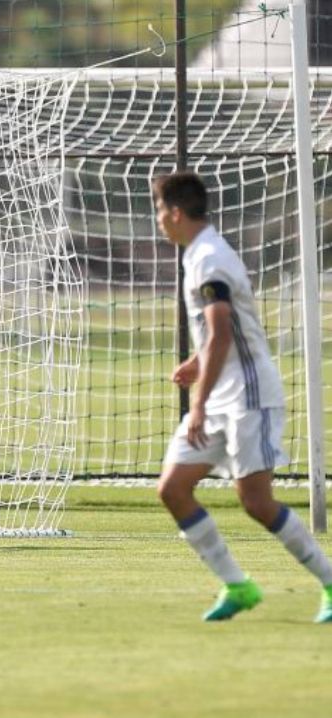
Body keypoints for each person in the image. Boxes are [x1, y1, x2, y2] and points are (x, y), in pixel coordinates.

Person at [152, 171, 332, 622]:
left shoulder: (210, 257)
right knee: (173, 488)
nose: (158, 220)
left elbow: (220, 334)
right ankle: (238, 585)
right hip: (219, 394)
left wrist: (196, 401)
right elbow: (218, 334)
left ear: (175, 212)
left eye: (159, 210)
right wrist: (198, 363)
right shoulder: (198, 254)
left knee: (256, 502)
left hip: (249, 397)